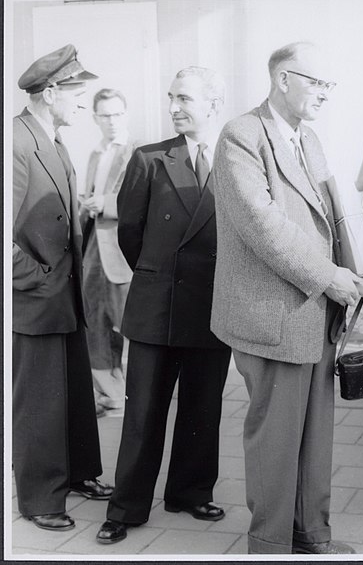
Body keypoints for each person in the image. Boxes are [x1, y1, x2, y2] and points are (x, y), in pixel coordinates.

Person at [212, 42, 363, 555]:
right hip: (273, 314)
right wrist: (329, 276)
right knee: (275, 440)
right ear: (283, 79)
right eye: (316, 83)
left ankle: (311, 534)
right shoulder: (241, 135)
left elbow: (334, 218)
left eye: (329, 85)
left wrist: (361, 278)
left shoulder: (311, 140)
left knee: (315, 434)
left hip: (314, 310)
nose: (325, 93)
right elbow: (263, 226)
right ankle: (270, 545)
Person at [97, 67, 232, 544]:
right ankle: (126, 507)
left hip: (213, 306)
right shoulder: (150, 159)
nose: (174, 106)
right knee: (143, 413)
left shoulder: (236, 159)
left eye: (185, 98)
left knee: (203, 407)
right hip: (157, 305)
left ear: (213, 104)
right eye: (171, 97)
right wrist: (157, 277)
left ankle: (190, 492)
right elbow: (131, 235)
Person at [12, 44, 113, 533]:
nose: (81, 104)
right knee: (39, 402)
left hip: (63, 297)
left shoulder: (50, 138)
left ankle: (76, 475)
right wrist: (40, 279)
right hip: (37, 298)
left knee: (70, 392)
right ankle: (38, 497)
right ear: (50, 92)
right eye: (77, 94)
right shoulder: (15, 141)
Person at [79, 88, 136, 417]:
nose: (112, 121)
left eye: (117, 114)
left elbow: (143, 201)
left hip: (123, 253)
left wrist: (105, 204)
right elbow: (93, 197)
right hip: (94, 252)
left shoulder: (136, 151)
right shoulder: (96, 153)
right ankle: (111, 393)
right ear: (96, 118)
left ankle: (134, 394)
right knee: (96, 324)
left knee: (126, 323)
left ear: (125, 114)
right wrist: (87, 204)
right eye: (105, 115)